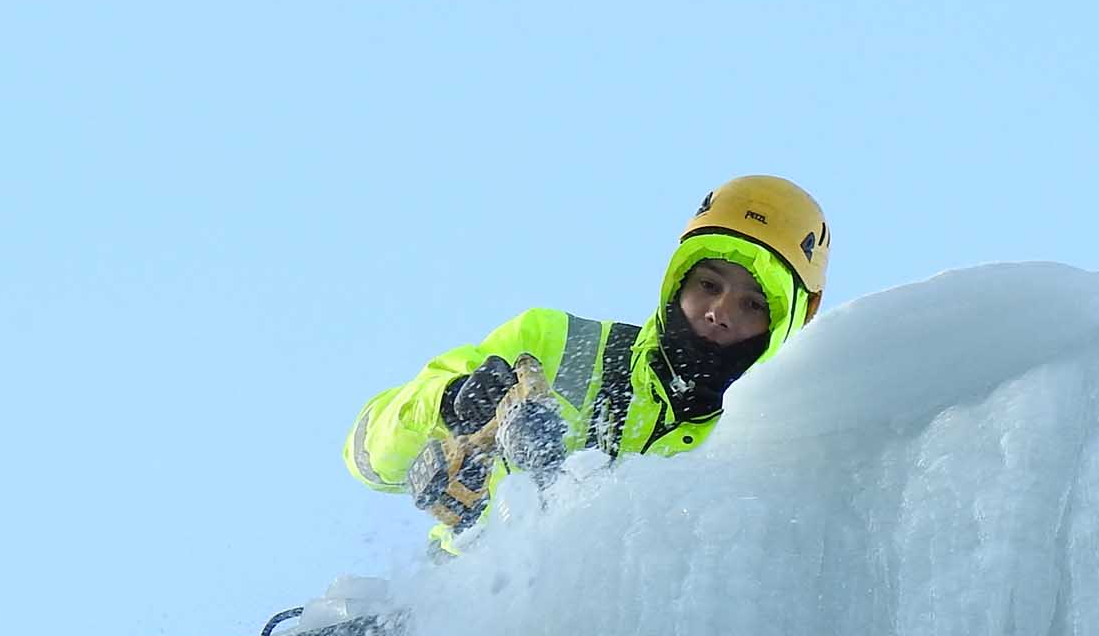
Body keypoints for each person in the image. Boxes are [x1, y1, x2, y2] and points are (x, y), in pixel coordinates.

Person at [343, 176, 829, 550]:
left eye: (753, 305)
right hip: (456, 631)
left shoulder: (773, 442)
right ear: (677, 280)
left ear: (788, 322)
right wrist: (446, 404)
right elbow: (367, 457)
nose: (720, 312)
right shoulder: (555, 344)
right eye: (709, 284)